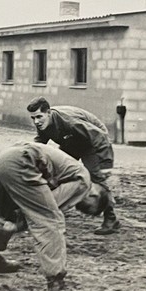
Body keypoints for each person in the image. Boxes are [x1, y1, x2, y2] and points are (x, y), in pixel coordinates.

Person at [0, 141, 108, 291]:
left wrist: (16, 223)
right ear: (94, 194)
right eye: (87, 205)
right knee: (51, 220)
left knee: (6, 209)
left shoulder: (68, 170)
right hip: (20, 160)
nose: (80, 207)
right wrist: (19, 226)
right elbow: (44, 212)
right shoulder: (84, 181)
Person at [26, 96, 120, 235]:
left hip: (92, 141)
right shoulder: (42, 123)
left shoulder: (69, 122)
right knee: (56, 172)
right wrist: (30, 156)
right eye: (33, 118)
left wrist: (106, 165)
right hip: (71, 142)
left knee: (97, 178)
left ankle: (111, 220)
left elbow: (99, 137)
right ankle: (50, 214)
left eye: (39, 116)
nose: (36, 121)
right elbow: (41, 141)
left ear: (49, 113)